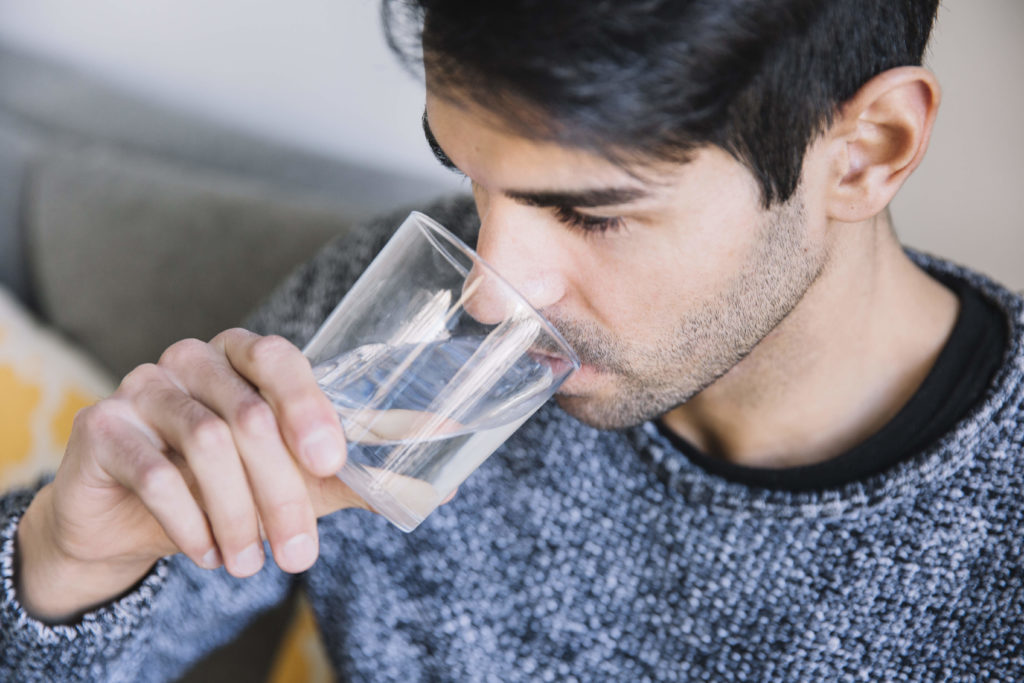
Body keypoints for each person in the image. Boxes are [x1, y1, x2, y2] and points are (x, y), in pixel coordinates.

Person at [3, 0, 1022, 679]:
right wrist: (66, 555)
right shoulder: (398, 335)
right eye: (473, 179)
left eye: (588, 213)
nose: (490, 293)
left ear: (865, 152)